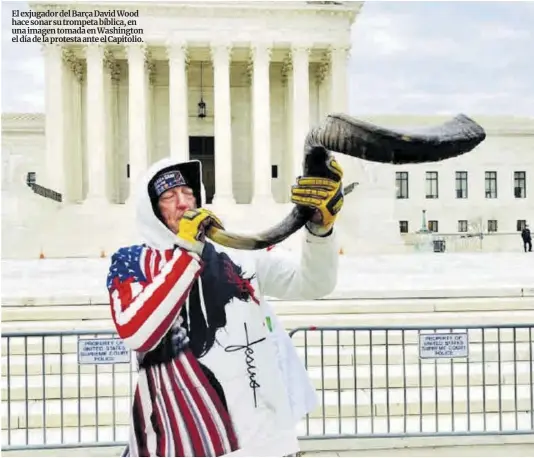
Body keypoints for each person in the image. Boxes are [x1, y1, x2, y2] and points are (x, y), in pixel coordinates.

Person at [106, 156, 344, 457]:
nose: (182, 203)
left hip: (263, 439)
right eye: (168, 197)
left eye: (189, 193)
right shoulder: (130, 262)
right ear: (151, 210)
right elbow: (137, 332)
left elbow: (313, 283)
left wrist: (320, 231)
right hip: (177, 441)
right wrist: (187, 251)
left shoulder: (236, 252)